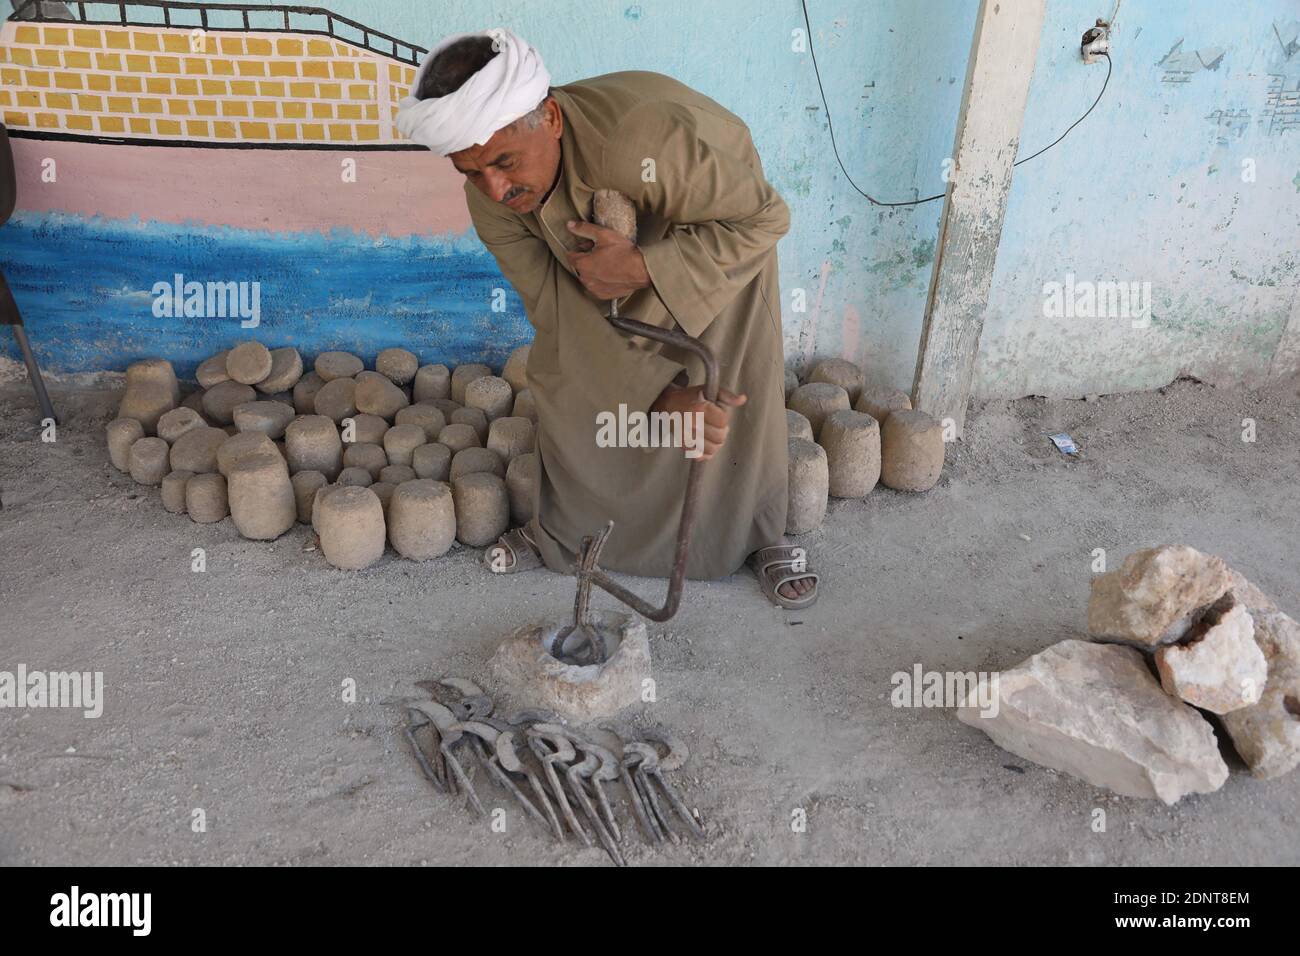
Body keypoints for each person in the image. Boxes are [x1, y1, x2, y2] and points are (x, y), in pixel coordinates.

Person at [397, 29, 817, 608]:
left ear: (550, 119)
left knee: (721, 386)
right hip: (593, 264)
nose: (494, 188)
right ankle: (565, 535)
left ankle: (756, 533)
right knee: (566, 377)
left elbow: (764, 220)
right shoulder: (489, 198)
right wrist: (654, 395)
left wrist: (646, 267)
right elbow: (552, 304)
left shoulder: (640, 141)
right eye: (471, 171)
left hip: (708, 236)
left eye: (503, 161)